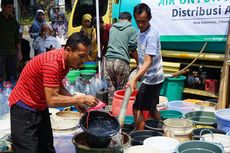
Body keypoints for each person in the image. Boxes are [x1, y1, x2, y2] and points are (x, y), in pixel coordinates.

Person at [9, 32, 99, 153]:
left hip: (39, 107)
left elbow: (57, 86)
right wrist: (79, 99)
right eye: (81, 56)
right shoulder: (52, 64)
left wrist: (74, 102)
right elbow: (52, 100)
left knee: (47, 148)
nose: (84, 61)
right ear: (68, 50)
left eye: (86, 56)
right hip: (24, 109)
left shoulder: (64, 61)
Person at [127, 3, 164, 130]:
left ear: (150, 18)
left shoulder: (151, 35)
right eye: (138, 21)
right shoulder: (140, 32)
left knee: (136, 108)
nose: (141, 24)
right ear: (134, 18)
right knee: (152, 108)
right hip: (153, 77)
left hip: (152, 79)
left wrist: (135, 78)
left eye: (144, 21)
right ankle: (164, 130)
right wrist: (137, 70)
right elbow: (142, 57)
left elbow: (148, 61)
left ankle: (139, 136)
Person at [105, 12, 138, 97]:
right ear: (129, 20)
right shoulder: (132, 29)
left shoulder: (112, 28)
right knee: (122, 91)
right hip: (121, 62)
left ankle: (111, 108)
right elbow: (132, 47)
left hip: (108, 61)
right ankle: (121, 109)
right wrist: (138, 61)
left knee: (111, 91)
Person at [0, 0, 22, 90]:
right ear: (3, 7)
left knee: (12, 74)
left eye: (12, 8)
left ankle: (12, 92)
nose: (11, 9)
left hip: (12, 51)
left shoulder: (13, 21)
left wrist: (19, 51)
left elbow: (17, 38)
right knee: (1, 74)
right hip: (1, 52)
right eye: (9, 7)